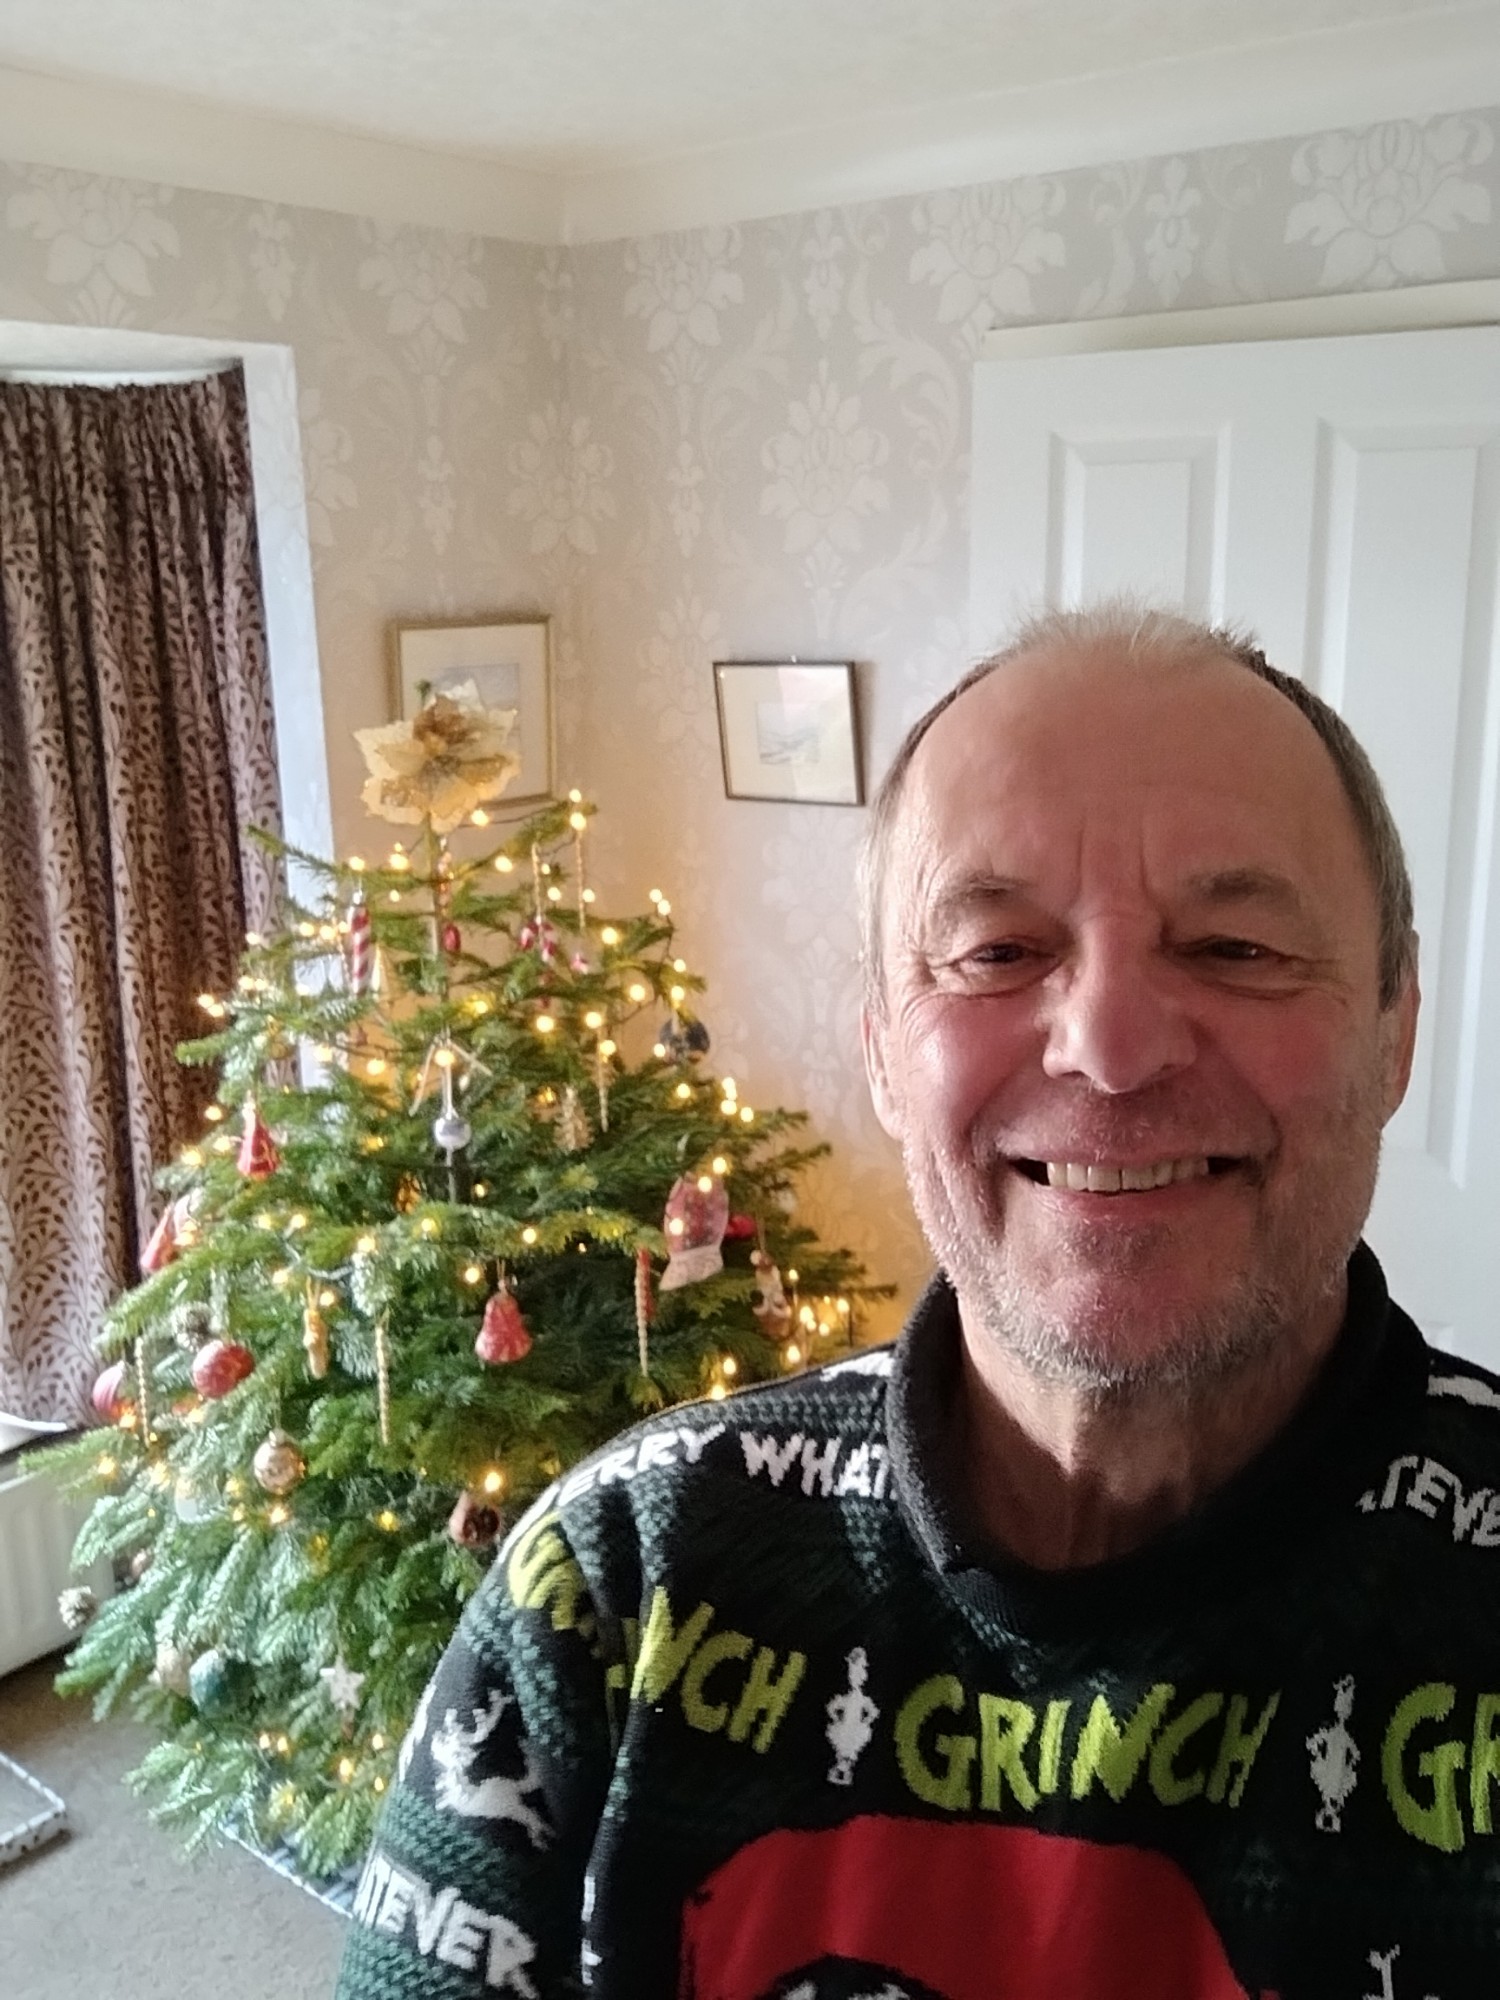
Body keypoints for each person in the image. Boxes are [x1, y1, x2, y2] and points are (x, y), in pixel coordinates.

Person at [335, 605, 1500, 2000]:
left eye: (1238, 948)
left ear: (1395, 1033)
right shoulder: (617, 1578)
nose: (1110, 1046)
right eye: (996, 953)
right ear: (887, 1055)